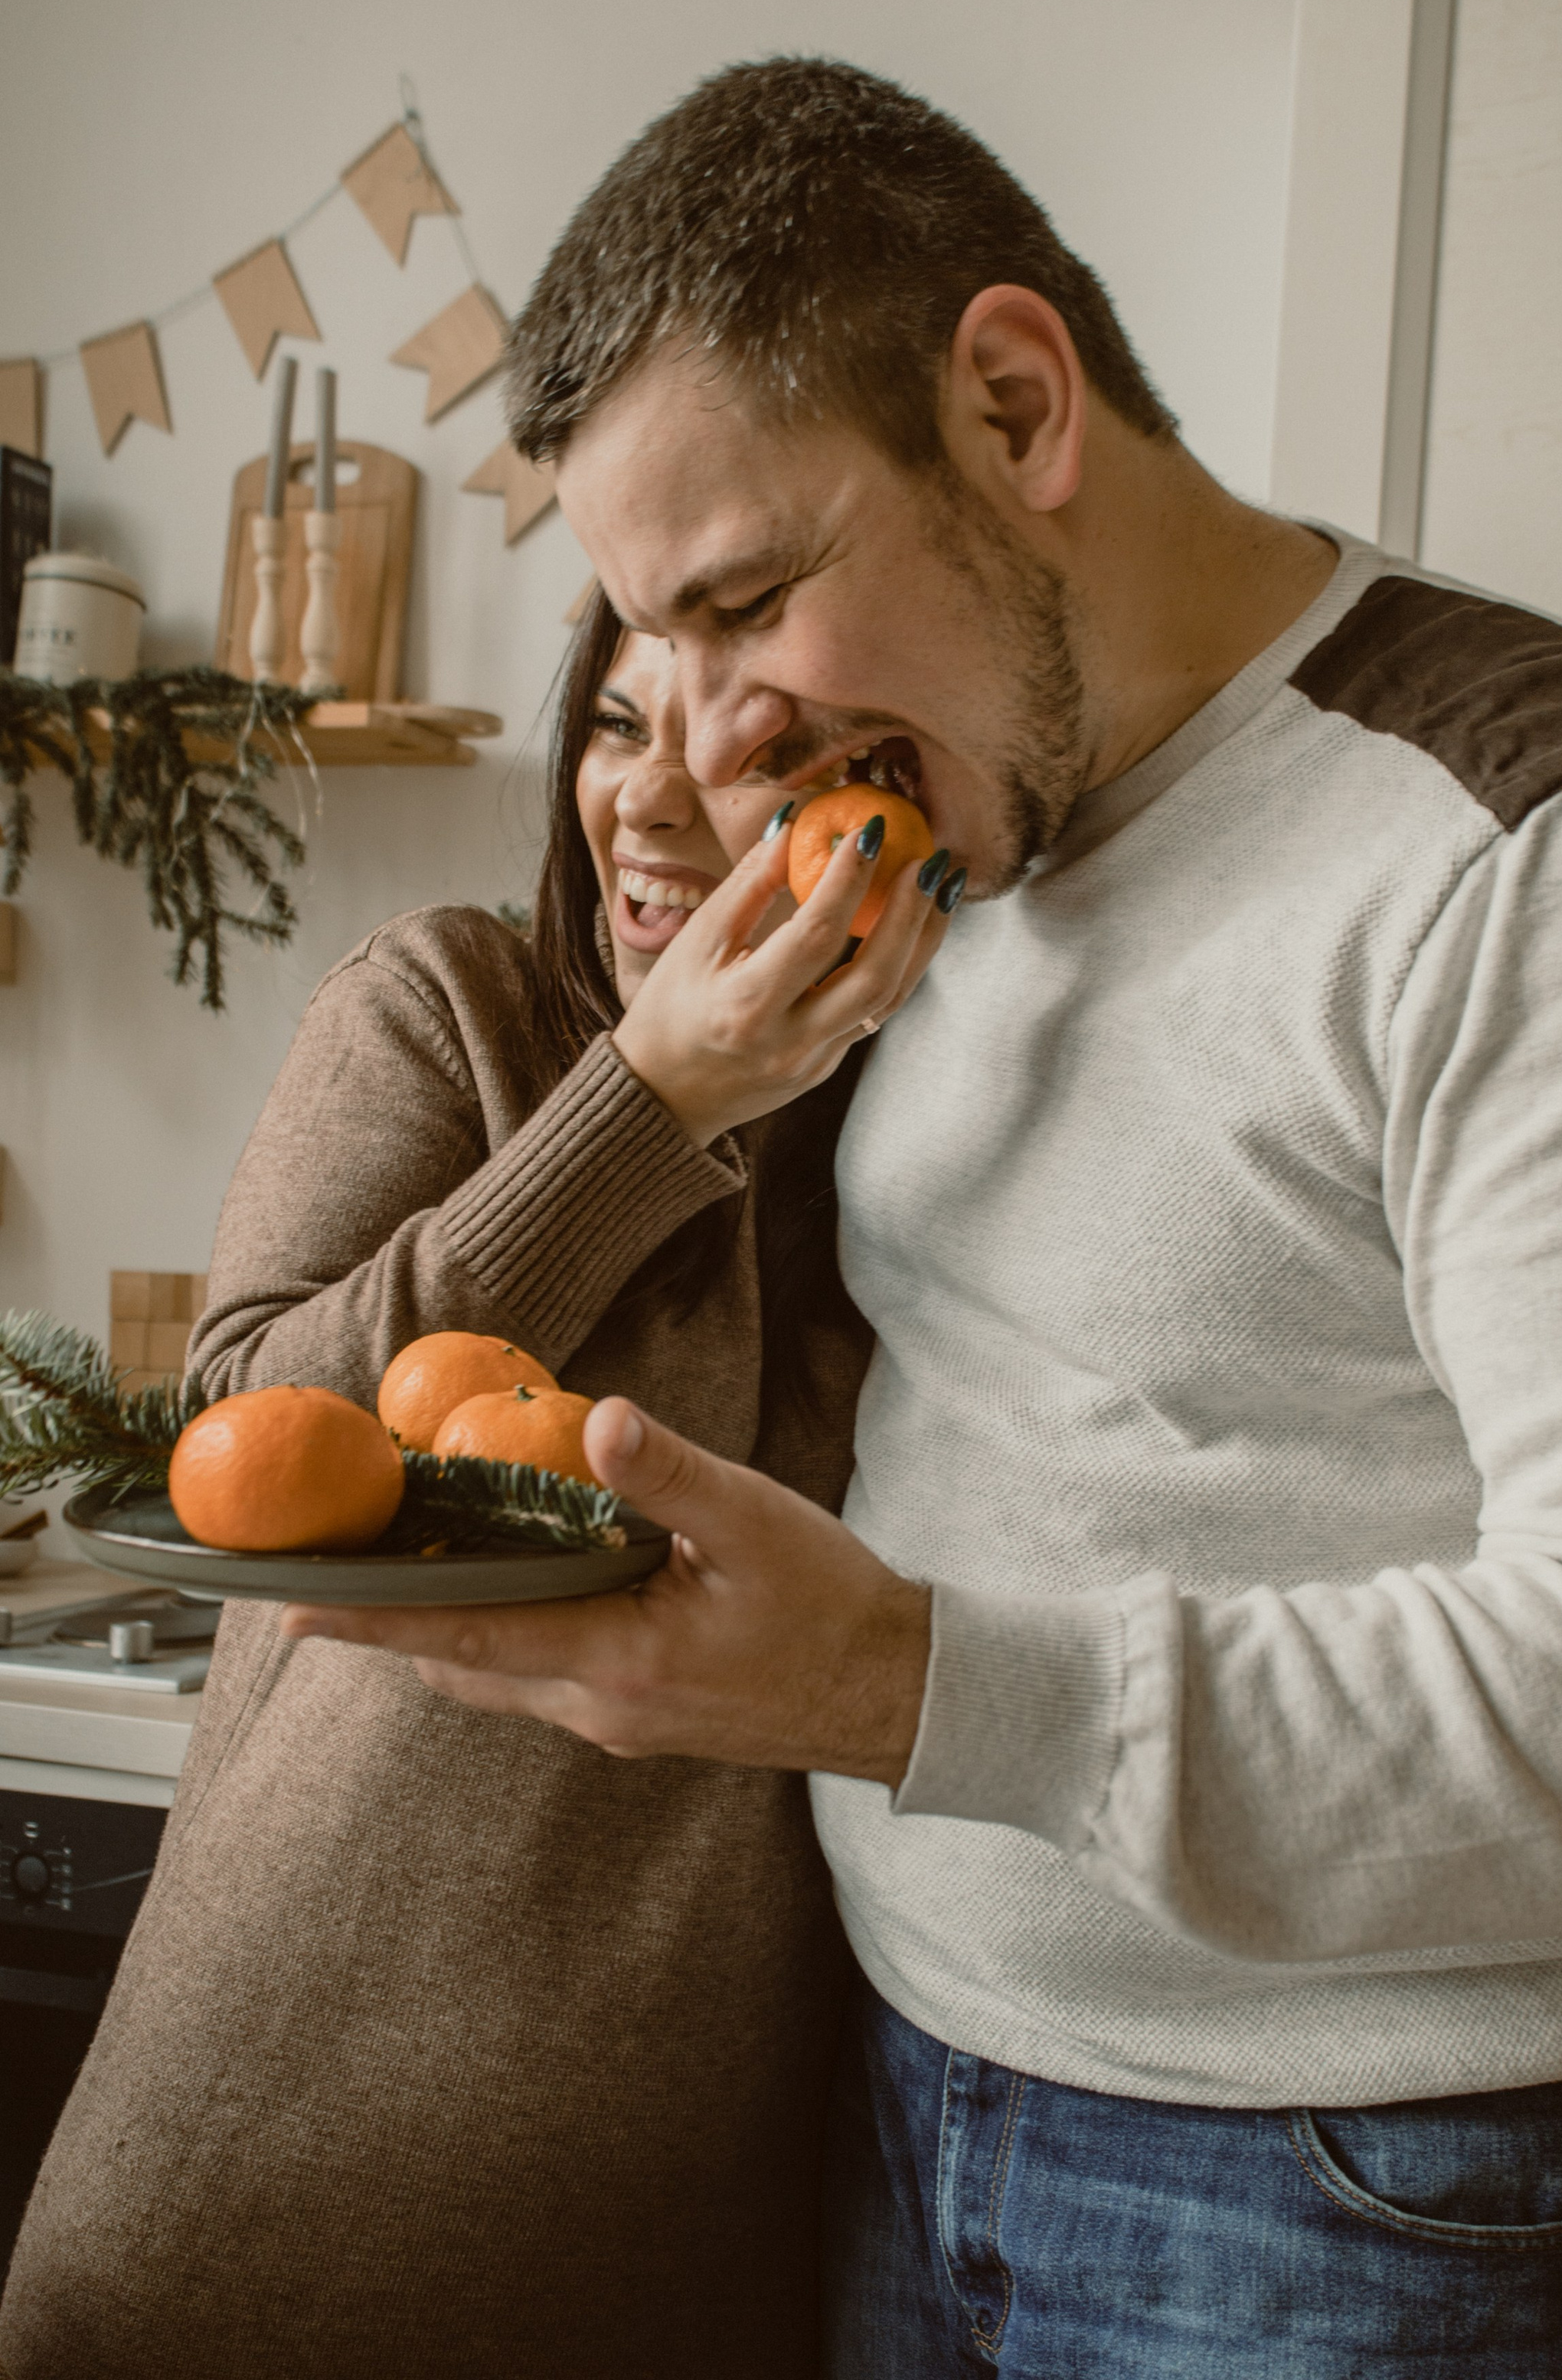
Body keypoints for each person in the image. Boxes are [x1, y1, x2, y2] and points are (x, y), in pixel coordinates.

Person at [275, 58, 1562, 2380]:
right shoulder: (962, 828)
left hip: (1388, 2197)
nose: (713, 742)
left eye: (746, 603)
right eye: (654, 640)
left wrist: (903, 1683)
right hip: (916, 2094)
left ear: (1017, 406)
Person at [0, 586, 950, 2380]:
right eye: (615, 723)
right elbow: (240, 1433)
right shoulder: (449, 1005)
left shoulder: (935, 1134)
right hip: (259, 2176)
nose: (644, 800)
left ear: (882, 805)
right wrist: (650, 1097)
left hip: (689, 2239)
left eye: (742, 751)